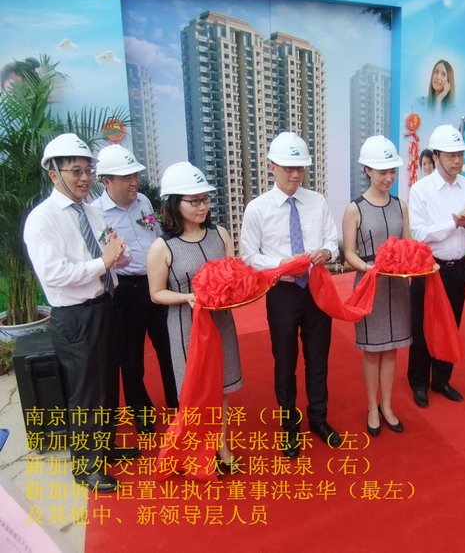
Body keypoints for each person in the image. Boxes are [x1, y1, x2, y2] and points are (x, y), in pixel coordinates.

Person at [24, 133, 137, 493]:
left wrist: (119, 256)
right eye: (76, 171)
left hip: (106, 306)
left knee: (107, 384)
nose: (85, 178)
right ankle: (87, 467)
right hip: (75, 317)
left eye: (88, 170)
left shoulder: (91, 211)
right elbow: (54, 274)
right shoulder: (42, 220)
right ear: (54, 174)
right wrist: (102, 262)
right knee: (87, 392)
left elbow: (112, 256)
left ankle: (105, 447)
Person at [240, 131, 340, 458]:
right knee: (285, 361)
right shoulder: (258, 209)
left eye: (300, 168)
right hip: (282, 292)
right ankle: (289, 425)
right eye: (288, 168)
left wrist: (326, 252)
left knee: (318, 358)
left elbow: (332, 241)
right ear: (271, 166)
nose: (295, 174)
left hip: (316, 287)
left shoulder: (317, 201)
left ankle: (319, 418)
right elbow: (249, 256)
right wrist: (281, 264)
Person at [146, 162, 242, 469]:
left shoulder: (220, 234)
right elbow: (156, 293)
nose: (202, 207)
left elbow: (232, 275)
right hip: (187, 327)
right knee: (196, 393)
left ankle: (221, 446)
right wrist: (187, 297)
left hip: (221, 322)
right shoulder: (162, 246)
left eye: (205, 199)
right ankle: (197, 452)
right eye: (194, 201)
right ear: (175, 203)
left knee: (221, 389)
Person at [92, 145, 178, 435]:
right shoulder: (97, 214)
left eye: (136, 175)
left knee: (169, 347)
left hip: (158, 284)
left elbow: (154, 234)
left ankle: (177, 401)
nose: (134, 182)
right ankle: (141, 412)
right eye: (126, 177)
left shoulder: (143, 201)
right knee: (130, 357)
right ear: (106, 181)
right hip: (126, 292)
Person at [408, 124, 465, 407]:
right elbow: (419, 234)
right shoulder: (421, 190)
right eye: (451, 155)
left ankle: (441, 379)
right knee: (422, 325)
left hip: (458, 268)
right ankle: (418, 381)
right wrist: (453, 223)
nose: (457, 161)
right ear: (436, 156)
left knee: (451, 323)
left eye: (460, 155)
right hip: (428, 268)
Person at [342, 136, 410, 436]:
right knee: (372, 350)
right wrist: (368, 269)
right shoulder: (355, 208)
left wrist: (410, 265)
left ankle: (387, 405)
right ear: (367, 170)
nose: (389, 177)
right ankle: (372, 406)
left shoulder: (401, 205)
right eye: (382, 171)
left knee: (392, 349)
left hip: (398, 286)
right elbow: (349, 252)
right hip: (370, 284)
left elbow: (407, 244)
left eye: (392, 171)